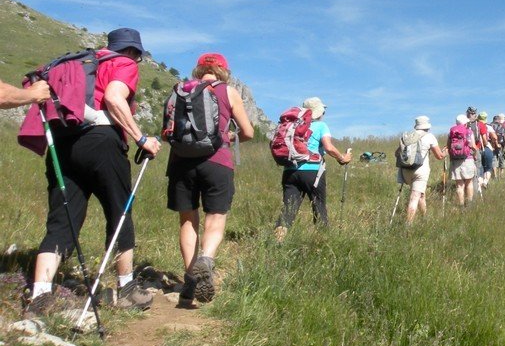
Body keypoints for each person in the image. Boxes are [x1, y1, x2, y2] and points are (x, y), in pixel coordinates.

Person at [26, 28, 161, 316]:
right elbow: (114, 98)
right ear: (134, 52)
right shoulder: (123, 64)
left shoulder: (78, 64)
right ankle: (126, 289)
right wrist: (141, 138)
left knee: (62, 220)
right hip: (101, 142)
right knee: (119, 210)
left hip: (62, 143)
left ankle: (40, 295)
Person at [165, 53, 254, 306]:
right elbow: (247, 132)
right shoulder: (228, 92)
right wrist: (229, 136)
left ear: (199, 68)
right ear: (223, 70)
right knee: (215, 216)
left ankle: (190, 279)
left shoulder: (180, 90)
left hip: (181, 162)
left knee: (188, 220)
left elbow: (168, 130)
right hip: (217, 162)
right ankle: (206, 260)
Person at [274, 97, 352, 239]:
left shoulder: (293, 126)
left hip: (290, 171)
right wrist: (342, 158)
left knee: (288, 210)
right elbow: (328, 147)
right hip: (313, 172)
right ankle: (322, 244)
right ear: (319, 112)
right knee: (319, 206)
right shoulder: (321, 126)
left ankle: (276, 244)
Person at [398, 116, 446, 224]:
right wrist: (445, 153)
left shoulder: (407, 136)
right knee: (414, 197)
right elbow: (439, 156)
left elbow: (397, 153)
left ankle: (425, 218)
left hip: (406, 169)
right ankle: (408, 225)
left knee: (421, 194)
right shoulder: (430, 137)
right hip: (420, 171)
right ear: (427, 126)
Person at [447, 114, 477, 206]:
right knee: (469, 183)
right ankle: (469, 204)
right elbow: (473, 146)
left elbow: (448, 146)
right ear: (465, 123)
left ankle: (461, 205)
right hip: (468, 159)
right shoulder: (469, 132)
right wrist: (475, 155)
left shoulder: (451, 133)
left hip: (455, 160)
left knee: (459, 185)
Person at [491, 114, 505, 179]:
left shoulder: (490, 126)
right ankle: (501, 176)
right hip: (501, 146)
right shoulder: (503, 126)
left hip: (492, 146)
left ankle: (494, 176)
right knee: (502, 159)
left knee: (494, 160)